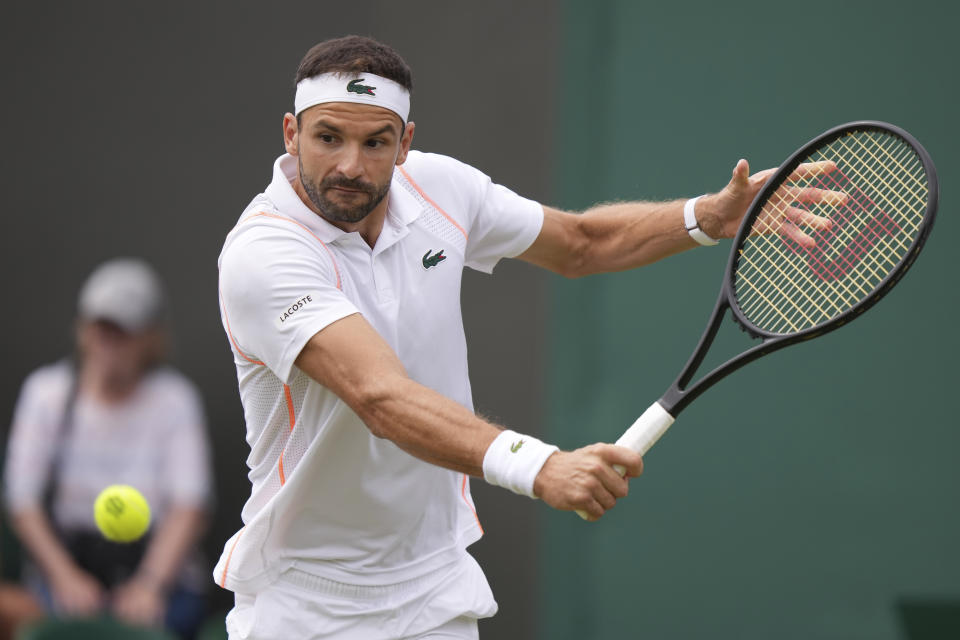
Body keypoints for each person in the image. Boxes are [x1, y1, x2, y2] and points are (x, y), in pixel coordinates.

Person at [215, 36, 836, 640]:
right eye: (328, 138)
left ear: (404, 144)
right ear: (292, 134)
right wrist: (541, 467)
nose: (350, 165)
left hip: (433, 587)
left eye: (374, 141)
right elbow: (380, 398)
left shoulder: (442, 188)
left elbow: (581, 244)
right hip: (305, 601)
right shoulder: (265, 254)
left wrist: (706, 217)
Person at [4, 258, 213, 639]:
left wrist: (150, 585)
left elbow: (190, 505)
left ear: (151, 338)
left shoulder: (175, 400)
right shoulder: (45, 393)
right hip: (66, 567)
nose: (109, 344)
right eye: (102, 328)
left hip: (159, 576)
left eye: (123, 331)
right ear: (82, 330)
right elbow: (23, 501)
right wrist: (64, 578)